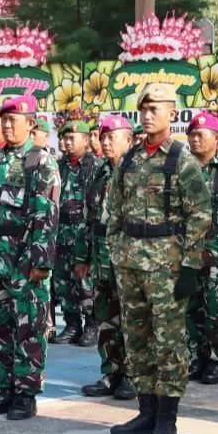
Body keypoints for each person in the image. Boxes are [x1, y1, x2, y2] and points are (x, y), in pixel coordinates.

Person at [106, 84, 212, 434]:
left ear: (172, 113)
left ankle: (167, 417)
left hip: (166, 266)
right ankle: (146, 409)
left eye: (155, 109)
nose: (147, 115)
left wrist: (189, 267)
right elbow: (115, 211)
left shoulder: (181, 159)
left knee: (168, 341)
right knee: (136, 339)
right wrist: (117, 253)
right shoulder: (131, 159)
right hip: (131, 263)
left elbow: (200, 214)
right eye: (143, 109)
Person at [0, 95, 59, 421]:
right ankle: (4, 388)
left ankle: (26, 392)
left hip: (23, 258)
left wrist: (40, 261)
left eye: (14, 120)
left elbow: (45, 216)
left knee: (29, 328)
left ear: (31, 123)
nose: (7, 125)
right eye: (3, 120)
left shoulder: (39, 162)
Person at [79, 114, 137, 400]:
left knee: (131, 320)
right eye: (102, 137)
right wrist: (83, 256)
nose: (105, 142)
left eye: (111, 137)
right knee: (106, 319)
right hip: (102, 259)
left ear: (129, 140)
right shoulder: (100, 173)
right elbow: (89, 218)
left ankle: (132, 375)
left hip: (129, 260)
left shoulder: (137, 172)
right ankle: (110, 371)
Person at [184, 110, 218, 385]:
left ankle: (215, 359)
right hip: (186, 249)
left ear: (217, 138)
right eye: (192, 134)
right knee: (189, 306)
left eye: (201, 135)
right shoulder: (181, 169)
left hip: (217, 249)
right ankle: (194, 357)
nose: (195, 139)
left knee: (217, 306)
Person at [55, 119, 98, 346]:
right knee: (64, 282)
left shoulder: (95, 167)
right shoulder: (58, 166)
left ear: (86, 139)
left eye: (72, 138)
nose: (67, 142)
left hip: (84, 233)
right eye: (64, 138)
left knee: (85, 282)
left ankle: (92, 324)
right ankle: (72, 325)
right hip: (62, 231)